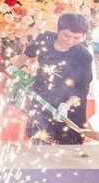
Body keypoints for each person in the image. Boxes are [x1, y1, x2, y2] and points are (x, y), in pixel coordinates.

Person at [14, 13, 94, 144]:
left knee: (67, 146)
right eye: (66, 35)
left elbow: (82, 89)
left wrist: (66, 106)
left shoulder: (84, 56)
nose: (70, 41)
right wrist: (14, 69)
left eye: (76, 38)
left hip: (69, 105)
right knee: (39, 140)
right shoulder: (45, 38)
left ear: (83, 36)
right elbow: (27, 54)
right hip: (42, 97)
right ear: (58, 30)